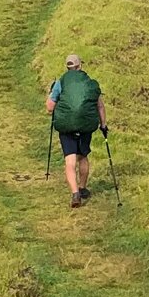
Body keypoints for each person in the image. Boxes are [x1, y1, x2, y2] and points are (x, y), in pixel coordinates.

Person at [47, 53, 107, 208]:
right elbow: (100, 106)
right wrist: (103, 125)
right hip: (85, 126)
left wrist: (51, 93)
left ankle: (75, 194)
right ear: (80, 66)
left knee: (70, 161)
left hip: (66, 127)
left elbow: (49, 108)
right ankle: (82, 188)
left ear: (67, 67)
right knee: (83, 157)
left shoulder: (61, 82)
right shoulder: (89, 83)